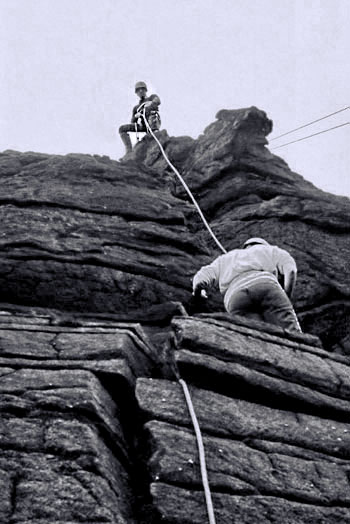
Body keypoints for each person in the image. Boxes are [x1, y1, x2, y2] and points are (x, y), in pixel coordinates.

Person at [192, 237, 301, 332]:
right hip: (265, 286)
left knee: (256, 336)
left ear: (246, 246)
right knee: (290, 330)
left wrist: (198, 291)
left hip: (235, 297)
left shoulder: (225, 258)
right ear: (263, 244)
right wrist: (286, 296)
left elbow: (202, 275)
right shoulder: (270, 250)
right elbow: (291, 271)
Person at [118, 81, 161, 158]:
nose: (140, 91)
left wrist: (151, 103)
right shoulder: (136, 107)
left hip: (153, 122)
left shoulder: (151, 97)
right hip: (143, 126)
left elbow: (157, 100)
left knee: (152, 116)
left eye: (142, 89)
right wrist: (136, 116)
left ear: (145, 90)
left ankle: (153, 133)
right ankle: (129, 151)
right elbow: (133, 122)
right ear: (136, 92)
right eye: (138, 90)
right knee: (121, 129)